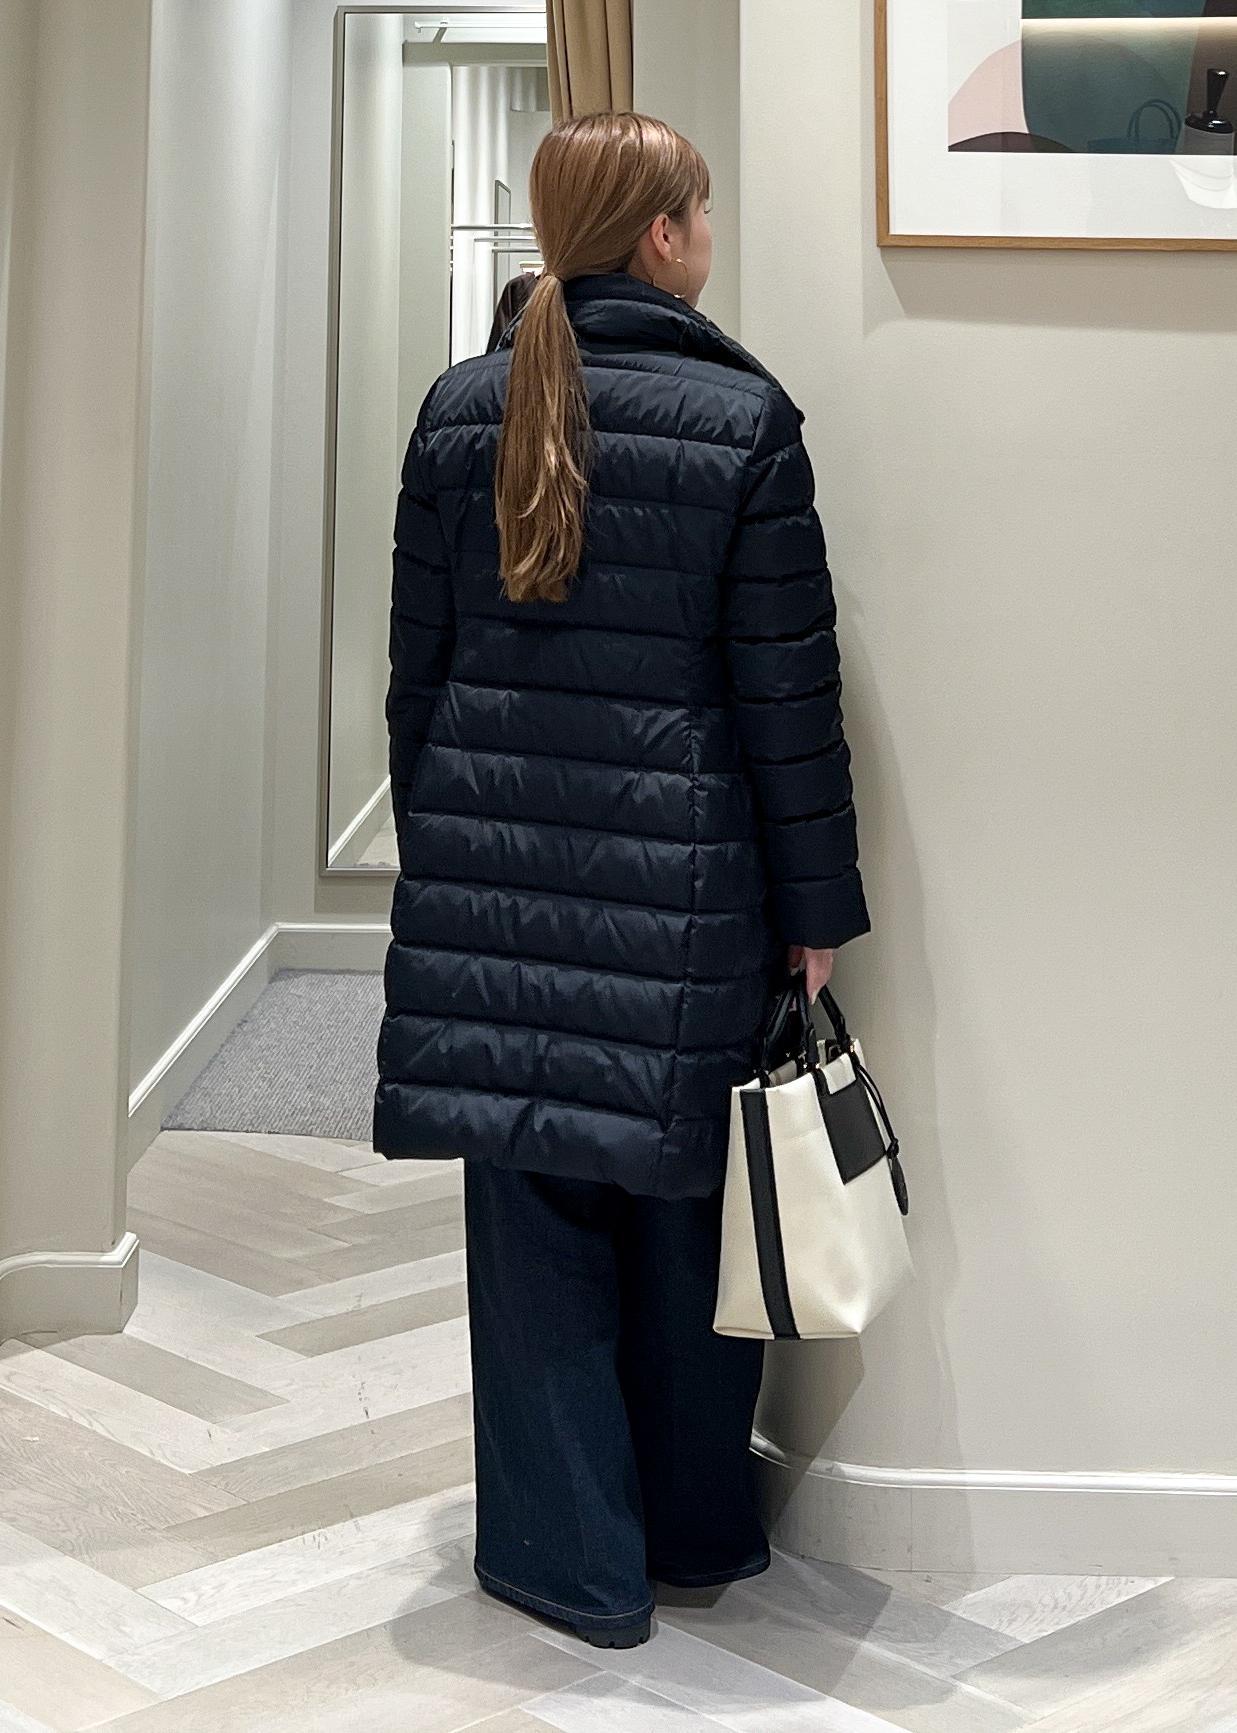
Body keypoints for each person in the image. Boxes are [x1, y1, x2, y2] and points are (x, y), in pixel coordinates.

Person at [372, 112, 871, 1648]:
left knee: (530, 1231)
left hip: (489, 887)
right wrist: (813, 911)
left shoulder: (459, 410)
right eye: (697, 209)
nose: (708, 231)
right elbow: (785, 700)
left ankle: (566, 1563)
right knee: (681, 1223)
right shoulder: (741, 421)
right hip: (686, 897)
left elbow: (416, 684)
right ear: (660, 234)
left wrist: (446, 853)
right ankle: (694, 1529)